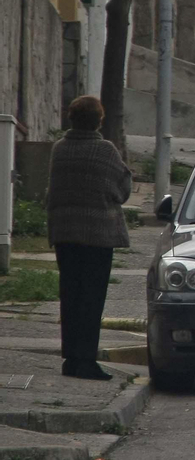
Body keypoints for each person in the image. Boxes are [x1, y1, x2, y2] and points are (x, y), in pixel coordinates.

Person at [44, 95, 131, 380]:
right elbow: (123, 188)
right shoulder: (105, 150)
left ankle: (71, 358)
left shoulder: (60, 149)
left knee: (70, 295)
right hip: (97, 236)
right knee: (92, 298)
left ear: (71, 118)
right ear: (98, 121)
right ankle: (86, 360)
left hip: (64, 233)